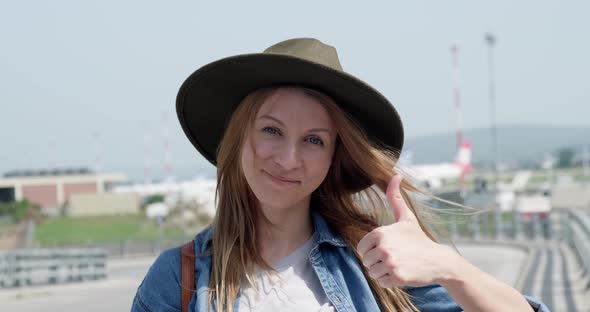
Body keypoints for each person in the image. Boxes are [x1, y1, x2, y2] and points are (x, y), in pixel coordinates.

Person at [131, 38, 548, 311]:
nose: (289, 158)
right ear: (238, 138)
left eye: (313, 140)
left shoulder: (377, 264)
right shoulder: (181, 278)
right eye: (272, 131)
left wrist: (447, 266)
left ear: (334, 157)